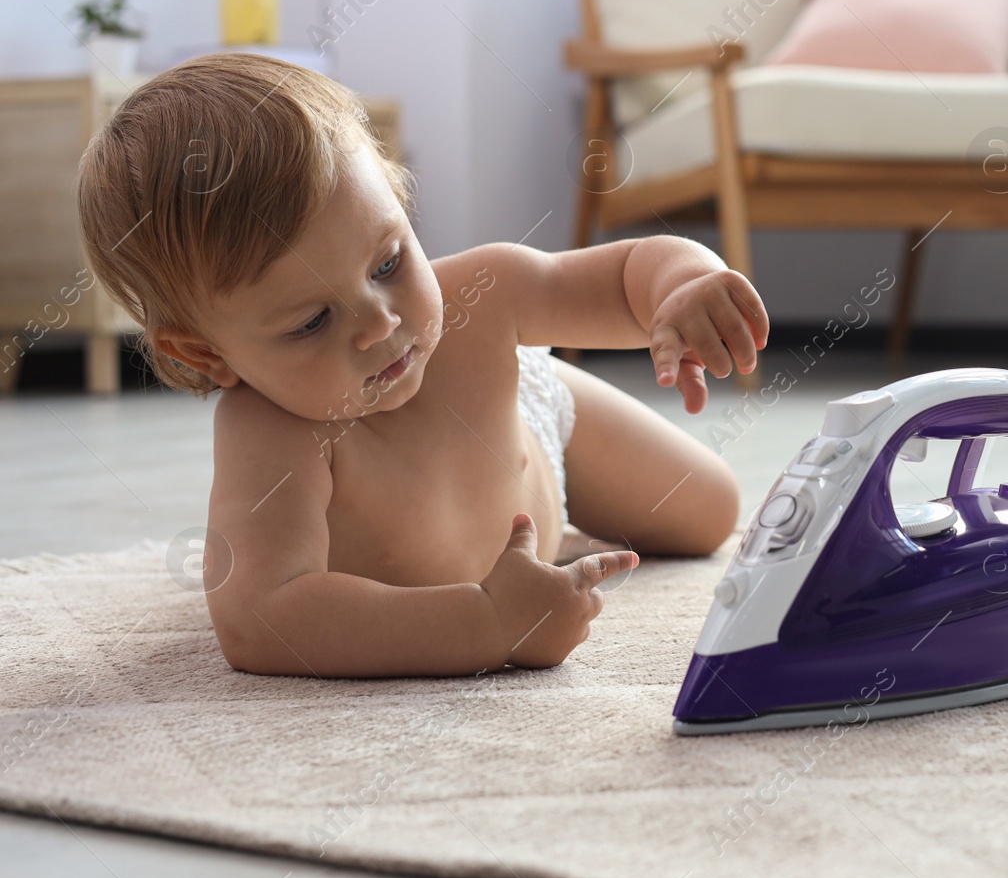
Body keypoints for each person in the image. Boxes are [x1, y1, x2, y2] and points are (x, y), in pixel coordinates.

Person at [77, 53, 766, 677]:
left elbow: (620, 280)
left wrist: (680, 284)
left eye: (387, 262)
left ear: (398, 199)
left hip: (532, 417)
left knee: (712, 511)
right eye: (312, 321)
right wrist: (491, 622)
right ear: (206, 353)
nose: (381, 322)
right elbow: (262, 621)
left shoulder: (481, 294)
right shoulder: (272, 435)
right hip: (493, 497)